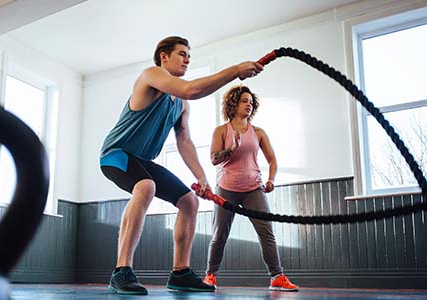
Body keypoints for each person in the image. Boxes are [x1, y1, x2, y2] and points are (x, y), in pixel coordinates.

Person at [99, 36, 263, 295]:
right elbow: (191, 89)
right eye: (182, 54)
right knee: (145, 186)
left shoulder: (180, 104)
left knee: (189, 201)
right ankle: (121, 271)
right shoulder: (151, 75)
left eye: (189, 55)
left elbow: (184, 141)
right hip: (115, 154)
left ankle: (180, 273)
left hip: (142, 161)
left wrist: (202, 177)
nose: (187, 59)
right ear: (164, 56)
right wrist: (235, 71)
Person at [201, 85, 299, 291]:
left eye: (251, 102)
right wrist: (232, 149)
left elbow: (272, 160)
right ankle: (210, 275)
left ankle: (277, 277)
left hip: (253, 188)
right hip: (226, 188)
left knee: (267, 232)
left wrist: (271, 179)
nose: (249, 105)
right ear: (234, 103)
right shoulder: (221, 131)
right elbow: (213, 159)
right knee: (220, 234)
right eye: (244, 101)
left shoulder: (258, 132)